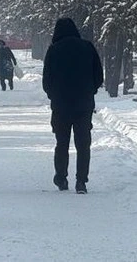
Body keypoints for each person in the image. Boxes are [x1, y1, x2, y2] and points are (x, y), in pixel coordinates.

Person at [41, 18, 103, 194]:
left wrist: (53, 95)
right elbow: (98, 75)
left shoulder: (54, 50)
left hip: (61, 105)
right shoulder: (87, 47)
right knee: (83, 144)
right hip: (84, 105)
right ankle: (81, 181)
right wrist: (90, 91)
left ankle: (61, 178)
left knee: (62, 143)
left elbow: (47, 80)